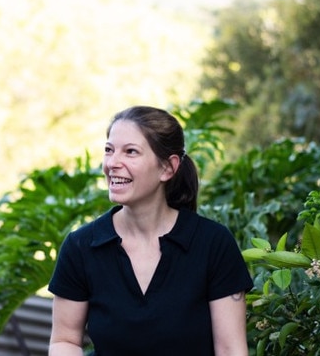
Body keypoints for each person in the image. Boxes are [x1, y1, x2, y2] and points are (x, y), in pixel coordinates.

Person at [48, 106, 253, 355]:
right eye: (109, 150)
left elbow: (231, 349)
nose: (112, 163)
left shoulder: (214, 245)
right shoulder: (80, 247)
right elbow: (65, 341)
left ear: (168, 168)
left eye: (130, 152)